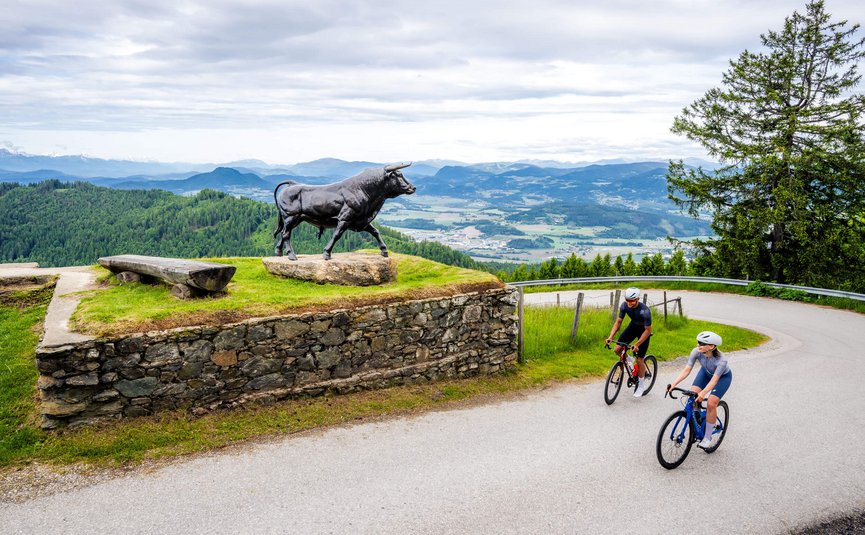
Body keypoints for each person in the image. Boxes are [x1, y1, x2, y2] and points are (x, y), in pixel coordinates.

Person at [666, 331, 732, 449]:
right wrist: (674, 383)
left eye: (702, 343)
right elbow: (687, 369)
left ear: (711, 346)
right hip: (705, 372)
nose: (698, 345)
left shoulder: (721, 361)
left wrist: (704, 393)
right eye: (698, 342)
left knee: (711, 403)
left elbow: (714, 381)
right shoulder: (696, 352)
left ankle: (707, 437)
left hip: (722, 378)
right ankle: (697, 422)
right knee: (693, 396)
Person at [605, 287, 653, 397]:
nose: (629, 303)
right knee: (617, 349)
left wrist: (637, 344)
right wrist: (610, 337)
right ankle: (628, 359)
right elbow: (618, 322)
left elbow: (648, 330)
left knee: (640, 359)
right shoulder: (624, 306)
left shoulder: (645, 311)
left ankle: (641, 385)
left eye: (631, 300)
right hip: (632, 327)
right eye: (627, 300)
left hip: (644, 332)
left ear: (637, 299)